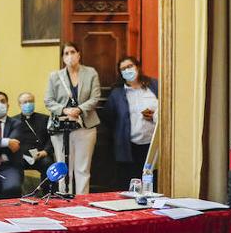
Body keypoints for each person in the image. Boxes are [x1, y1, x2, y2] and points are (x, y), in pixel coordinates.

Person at [43, 42, 101, 194]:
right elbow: (48, 100)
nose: (70, 56)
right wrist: (64, 110)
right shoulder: (54, 76)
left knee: (83, 168)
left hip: (85, 126)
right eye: (66, 53)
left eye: (72, 52)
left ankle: (82, 201)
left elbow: (95, 97)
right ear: (63, 57)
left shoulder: (91, 73)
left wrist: (80, 109)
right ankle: (64, 198)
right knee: (63, 167)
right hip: (61, 128)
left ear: (79, 54)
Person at [103, 55, 159, 190]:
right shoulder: (117, 94)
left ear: (137, 67)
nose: (127, 70)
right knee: (130, 183)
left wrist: (154, 116)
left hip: (153, 144)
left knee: (152, 182)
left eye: (130, 66)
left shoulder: (154, 85)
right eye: (123, 69)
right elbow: (109, 117)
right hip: (129, 147)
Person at [12, 91, 55, 173]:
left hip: (41, 155)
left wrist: (45, 151)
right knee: (13, 165)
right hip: (21, 157)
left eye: (31, 101)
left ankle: (46, 186)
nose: (28, 104)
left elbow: (52, 137)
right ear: (19, 104)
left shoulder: (45, 119)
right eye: (25, 102)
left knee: (48, 163)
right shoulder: (13, 121)